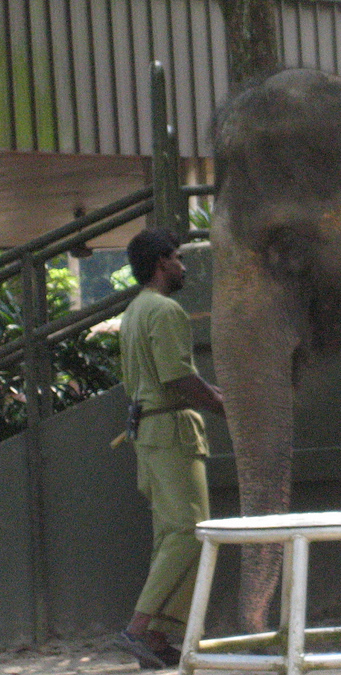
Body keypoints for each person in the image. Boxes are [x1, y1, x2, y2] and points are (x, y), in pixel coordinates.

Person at [113, 228, 225, 670]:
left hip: (148, 433)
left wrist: (212, 391)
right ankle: (139, 629)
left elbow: (155, 379)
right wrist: (220, 405)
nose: (183, 266)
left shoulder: (134, 311)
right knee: (190, 531)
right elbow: (176, 378)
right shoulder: (166, 310)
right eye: (178, 258)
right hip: (172, 432)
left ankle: (156, 639)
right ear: (162, 263)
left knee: (170, 535)